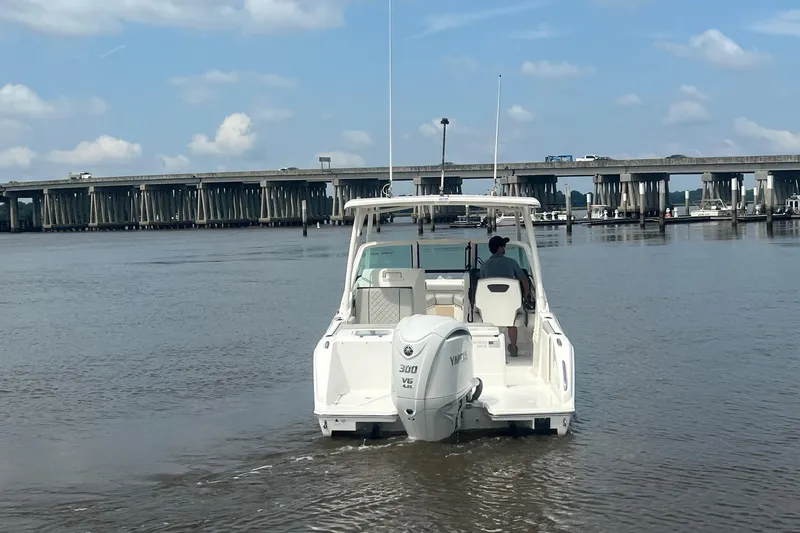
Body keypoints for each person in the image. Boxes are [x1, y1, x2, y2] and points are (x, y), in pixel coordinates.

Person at [478, 235, 531, 357]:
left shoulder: (484, 266)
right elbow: (524, 280)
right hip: (509, 305)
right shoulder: (511, 263)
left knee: (489, 317)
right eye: (503, 245)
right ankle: (513, 347)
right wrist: (526, 295)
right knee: (511, 320)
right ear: (499, 248)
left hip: (489, 306)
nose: (505, 247)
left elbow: (481, 285)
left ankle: (490, 350)